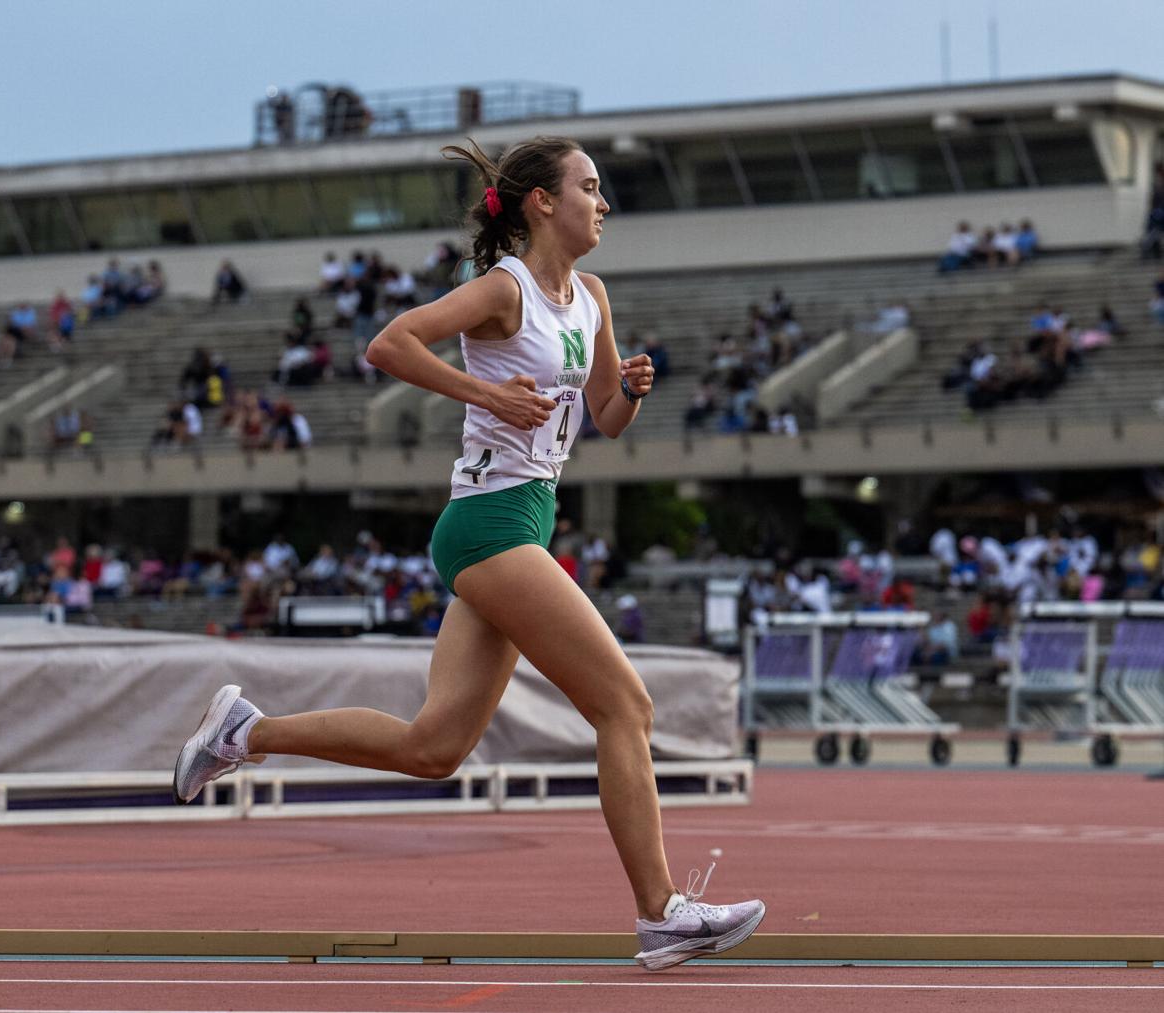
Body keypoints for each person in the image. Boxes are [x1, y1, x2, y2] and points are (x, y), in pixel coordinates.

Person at [171, 135, 764, 971]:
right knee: (624, 707)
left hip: (525, 518)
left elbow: (599, 414)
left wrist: (627, 391)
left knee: (432, 748)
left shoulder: (589, 294)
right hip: (487, 524)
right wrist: (485, 390)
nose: (604, 203)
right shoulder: (502, 289)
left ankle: (245, 729)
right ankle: (661, 910)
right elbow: (388, 345)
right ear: (541, 202)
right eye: (589, 188)